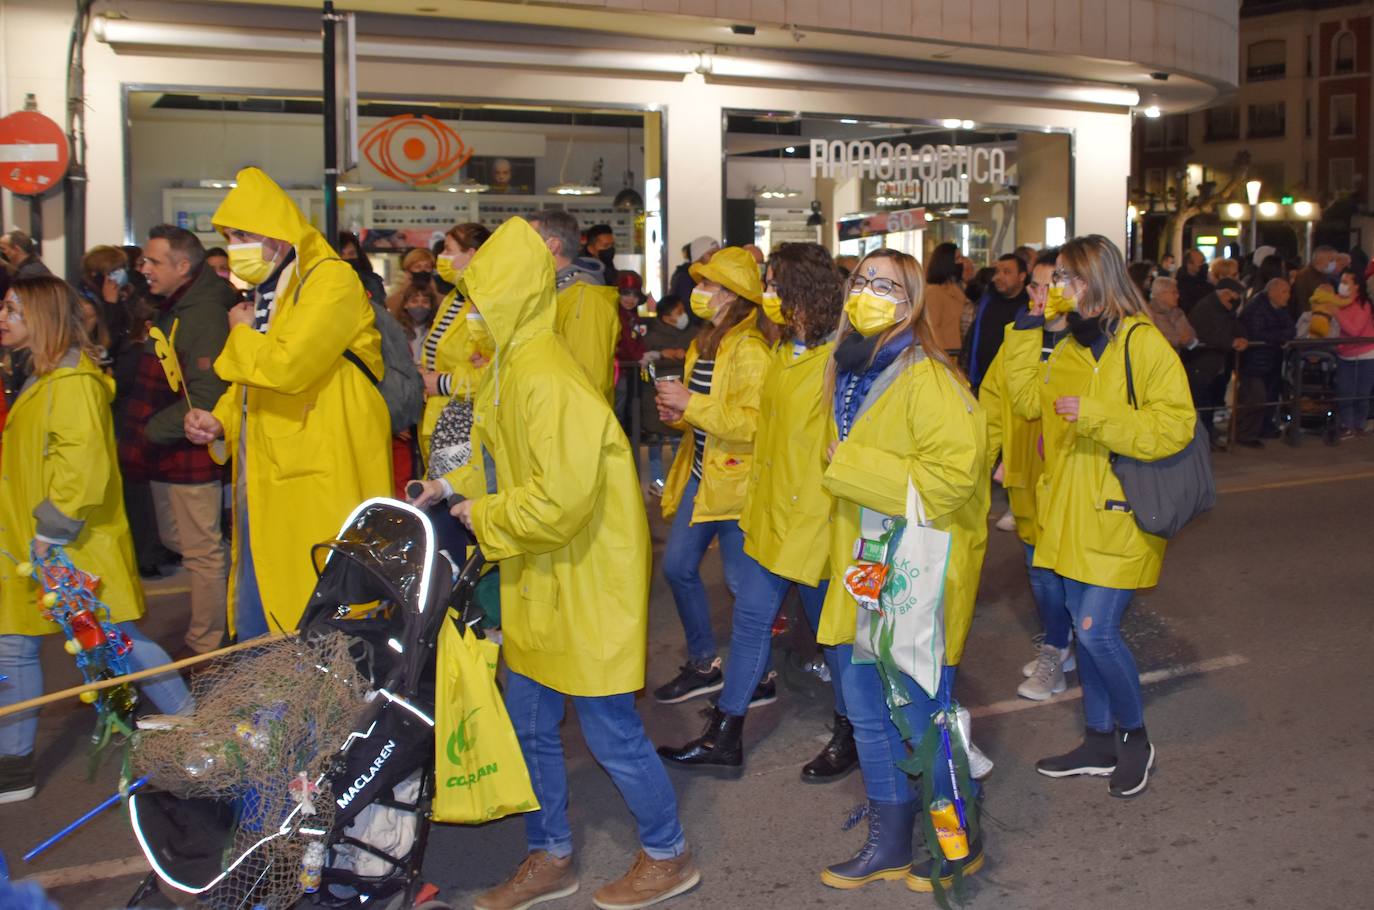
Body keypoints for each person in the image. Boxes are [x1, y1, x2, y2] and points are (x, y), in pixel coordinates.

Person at [411, 217, 698, 910]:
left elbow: (560, 500)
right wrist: (450, 488)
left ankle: (668, 853)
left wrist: (484, 516)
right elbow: (496, 457)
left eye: (480, 297)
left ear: (511, 294)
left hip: (587, 578)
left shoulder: (547, 376)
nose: (470, 314)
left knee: (611, 731)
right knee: (532, 723)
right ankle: (552, 854)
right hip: (540, 573)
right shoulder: (511, 366)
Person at [817, 248, 989, 891]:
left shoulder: (928, 378)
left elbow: (949, 480)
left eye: (888, 285)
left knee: (920, 714)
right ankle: (888, 843)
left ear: (913, 300)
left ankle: (957, 840)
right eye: (861, 281)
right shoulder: (850, 368)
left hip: (917, 574)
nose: (869, 292)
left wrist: (849, 466)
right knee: (866, 710)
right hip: (864, 566)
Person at [1003, 234, 1194, 799]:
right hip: (1068, 514)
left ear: (1088, 282)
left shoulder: (1141, 343)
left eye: (1060, 278)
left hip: (1119, 514)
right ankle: (1097, 741)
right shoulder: (1067, 346)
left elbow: (1174, 425)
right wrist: (1026, 329)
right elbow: (1024, 405)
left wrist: (1097, 416)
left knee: (1094, 631)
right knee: (1086, 641)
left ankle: (1134, 738)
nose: (1052, 287)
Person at [658, 242, 856, 782]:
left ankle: (850, 728)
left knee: (830, 630)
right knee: (750, 622)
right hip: (769, 516)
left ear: (802, 293)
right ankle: (726, 732)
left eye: (773, 286)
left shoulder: (835, 361)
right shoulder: (786, 350)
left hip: (812, 521)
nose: (765, 295)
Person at [0, 276, 190, 803]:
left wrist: (48, 530)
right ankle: (13, 763)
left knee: (118, 641)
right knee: (15, 646)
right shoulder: (44, 376)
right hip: (32, 545)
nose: (3, 315)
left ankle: (189, 721)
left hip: (64, 546)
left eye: (14, 308)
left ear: (44, 317)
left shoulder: (70, 382)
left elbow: (83, 468)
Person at [182, 167, 392, 639]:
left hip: (321, 469)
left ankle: (317, 711)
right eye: (230, 236)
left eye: (243, 234)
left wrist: (237, 334)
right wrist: (217, 421)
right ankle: (269, 710)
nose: (236, 245)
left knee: (319, 607)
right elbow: (254, 382)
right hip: (269, 474)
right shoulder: (270, 293)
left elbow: (286, 366)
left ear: (278, 232)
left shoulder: (329, 280)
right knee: (268, 600)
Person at [651, 247, 769, 705]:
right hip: (702, 478)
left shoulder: (751, 350)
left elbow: (754, 424)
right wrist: (677, 413)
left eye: (707, 285)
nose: (697, 292)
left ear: (732, 294)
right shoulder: (706, 342)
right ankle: (705, 663)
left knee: (743, 586)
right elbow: (700, 412)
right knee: (678, 568)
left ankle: (758, 675)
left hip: (737, 486)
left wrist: (690, 405)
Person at [122, 225, 235, 657]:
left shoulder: (201, 311)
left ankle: (206, 645)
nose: (143, 267)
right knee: (187, 542)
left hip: (189, 449)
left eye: (153, 261)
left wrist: (151, 429)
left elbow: (206, 392)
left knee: (202, 551)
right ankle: (219, 619)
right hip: (173, 449)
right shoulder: (182, 305)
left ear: (182, 265)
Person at [980, 253, 1074, 701]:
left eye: (1051, 284)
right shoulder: (1018, 336)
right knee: (1039, 570)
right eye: (1035, 286)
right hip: (1025, 475)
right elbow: (994, 403)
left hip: (1072, 477)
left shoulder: (1084, 342)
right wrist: (985, 458)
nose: (1041, 295)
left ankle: (1060, 646)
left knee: (1065, 570)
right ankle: (1058, 640)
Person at [527, 210, 620, 406]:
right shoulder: (554, 289)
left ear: (552, 245)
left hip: (569, 421)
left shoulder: (584, 296)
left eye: (528, 239)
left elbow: (590, 376)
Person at [417, 223, 491, 465]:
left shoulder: (486, 301)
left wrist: (443, 382)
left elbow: (496, 373)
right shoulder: (454, 297)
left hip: (464, 425)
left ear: (472, 254)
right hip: (438, 419)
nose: (441, 257)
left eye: (448, 250)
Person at [1188, 277, 1249, 448]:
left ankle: (1209, 435)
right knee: (1203, 403)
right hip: (1203, 364)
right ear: (1227, 294)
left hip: (1216, 364)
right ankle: (1204, 439)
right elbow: (1206, 335)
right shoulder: (1206, 309)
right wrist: (1231, 342)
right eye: (1236, 296)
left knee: (1212, 401)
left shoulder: (1224, 309)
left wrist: (1242, 337)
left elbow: (1234, 325)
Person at [639, 295, 692, 494]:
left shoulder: (693, 334)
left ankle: (680, 481)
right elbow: (643, 359)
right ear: (666, 317)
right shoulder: (651, 338)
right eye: (678, 312)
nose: (683, 315)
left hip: (683, 394)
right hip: (656, 396)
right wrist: (665, 354)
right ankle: (657, 482)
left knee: (680, 441)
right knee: (656, 440)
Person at [1314, 268, 1374, 438]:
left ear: (1357, 286)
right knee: (1345, 391)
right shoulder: (1336, 302)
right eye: (1342, 281)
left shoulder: (1364, 304)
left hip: (1366, 355)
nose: (1343, 285)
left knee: (1362, 393)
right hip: (1344, 354)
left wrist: (1337, 313)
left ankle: (1359, 425)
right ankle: (1346, 425)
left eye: (1347, 282)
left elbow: (1355, 330)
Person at [1235, 278, 1294, 446]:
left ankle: (1259, 429)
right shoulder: (1256, 309)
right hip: (1253, 361)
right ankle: (1244, 434)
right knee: (1254, 397)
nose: (1288, 296)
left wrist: (1278, 335)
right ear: (1272, 292)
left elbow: (1291, 328)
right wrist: (1280, 336)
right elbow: (1257, 333)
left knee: (1265, 397)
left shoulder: (1280, 309)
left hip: (1270, 360)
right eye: (1284, 292)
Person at [963, 253, 1029, 392]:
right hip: (981, 384)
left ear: (1022, 276)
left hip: (1012, 386)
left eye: (1006, 272)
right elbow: (972, 339)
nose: (998, 277)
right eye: (997, 271)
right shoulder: (987, 301)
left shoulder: (1029, 308)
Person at [613, 271, 648, 431]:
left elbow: (636, 340)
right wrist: (641, 356)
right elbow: (626, 342)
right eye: (625, 293)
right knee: (617, 408)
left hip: (627, 370)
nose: (630, 299)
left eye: (634, 295)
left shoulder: (632, 316)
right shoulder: (615, 314)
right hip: (616, 371)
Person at [923, 241, 967, 355]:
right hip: (947, 355)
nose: (961, 262)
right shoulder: (934, 292)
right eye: (957, 259)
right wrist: (943, 355)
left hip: (959, 353)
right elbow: (933, 329)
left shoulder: (956, 288)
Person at [387, 281, 438, 362]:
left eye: (425, 302)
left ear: (431, 305)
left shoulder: (437, 330)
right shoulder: (396, 331)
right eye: (414, 301)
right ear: (405, 304)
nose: (420, 305)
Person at [670, 237, 719, 319]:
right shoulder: (684, 279)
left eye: (720, 254)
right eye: (712, 254)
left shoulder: (711, 275)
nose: (718, 258)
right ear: (699, 258)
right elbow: (692, 314)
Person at [1144, 277, 1197, 352]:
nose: (1178, 296)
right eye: (1174, 292)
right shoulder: (1148, 315)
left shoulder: (1177, 312)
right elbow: (1157, 340)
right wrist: (1178, 340)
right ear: (1162, 295)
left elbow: (1190, 335)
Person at [338, 232, 386, 308]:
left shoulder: (371, 281)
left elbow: (378, 309)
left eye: (351, 253)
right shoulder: (324, 283)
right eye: (341, 255)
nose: (346, 258)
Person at [1292, 245, 1338, 317]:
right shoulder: (1304, 276)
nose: (1334, 263)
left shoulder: (1326, 275)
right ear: (1320, 260)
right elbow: (1302, 304)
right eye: (1331, 260)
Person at [1175, 249, 1213, 313]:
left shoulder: (1205, 282)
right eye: (1201, 262)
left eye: (1204, 261)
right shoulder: (1180, 285)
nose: (1204, 265)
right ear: (1189, 264)